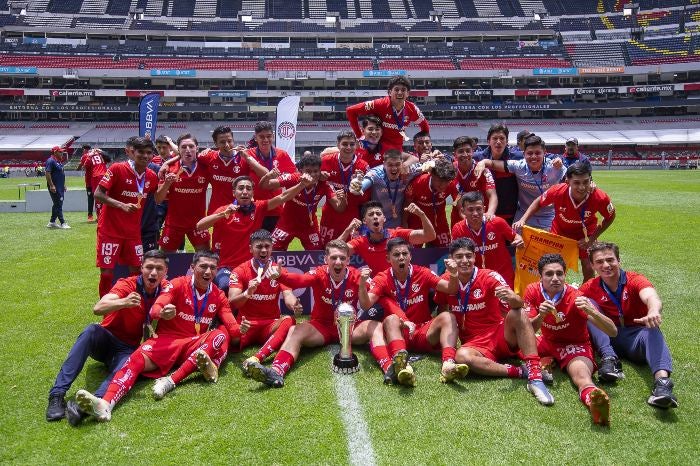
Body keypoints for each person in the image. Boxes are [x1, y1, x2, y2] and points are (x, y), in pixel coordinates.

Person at [75, 251, 241, 422]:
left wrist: (239, 329)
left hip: (192, 345)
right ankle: (105, 404)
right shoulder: (177, 284)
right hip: (166, 342)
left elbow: (231, 324)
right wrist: (162, 312)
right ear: (192, 267)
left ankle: (170, 381)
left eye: (213, 268)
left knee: (220, 334)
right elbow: (156, 308)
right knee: (134, 361)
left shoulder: (218, 295)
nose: (208, 272)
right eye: (203, 266)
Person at [46, 250, 170, 426]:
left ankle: (90, 404)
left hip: (126, 349)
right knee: (90, 330)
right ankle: (57, 395)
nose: (153, 273)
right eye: (149, 267)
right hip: (105, 340)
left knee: (130, 361)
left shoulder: (166, 289)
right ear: (141, 268)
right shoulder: (128, 284)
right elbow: (98, 308)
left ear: (166, 272)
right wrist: (124, 302)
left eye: (159, 268)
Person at [247, 240, 386, 387]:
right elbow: (300, 280)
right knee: (295, 329)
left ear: (348, 260)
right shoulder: (319, 273)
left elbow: (372, 299)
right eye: (333, 258)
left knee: (376, 326)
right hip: (321, 327)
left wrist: (364, 284)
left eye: (342, 258)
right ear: (326, 259)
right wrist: (281, 276)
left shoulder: (357, 275)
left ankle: (388, 367)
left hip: (349, 328)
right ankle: (276, 371)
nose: (338, 262)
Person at [435, 238, 555, 406]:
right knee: (461, 356)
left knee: (517, 313)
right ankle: (521, 371)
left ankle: (535, 377)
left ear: (475, 257)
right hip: (475, 344)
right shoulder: (447, 279)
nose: (464, 261)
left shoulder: (489, 276)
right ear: (451, 259)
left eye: (468, 256)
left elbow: (517, 304)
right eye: (459, 256)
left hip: (499, 334)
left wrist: (513, 298)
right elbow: (442, 308)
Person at [579, 242, 678, 409]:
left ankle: (662, 385)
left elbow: (651, 296)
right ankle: (609, 359)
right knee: (585, 303)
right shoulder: (591, 286)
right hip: (609, 338)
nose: (606, 265)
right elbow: (569, 302)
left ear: (619, 260)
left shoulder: (634, 279)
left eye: (610, 260)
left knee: (652, 328)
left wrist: (653, 310)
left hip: (636, 338)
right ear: (593, 266)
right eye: (600, 262)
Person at [526, 253, 617, 426]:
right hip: (547, 342)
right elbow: (528, 330)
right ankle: (546, 360)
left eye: (559, 274)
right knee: (518, 345)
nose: (555, 278)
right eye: (549, 274)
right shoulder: (532, 291)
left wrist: (592, 311)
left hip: (574, 347)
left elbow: (612, 332)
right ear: (540, 276)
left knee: (581, 377)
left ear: (565, 275)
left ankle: (595, 402)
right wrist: (541, 316)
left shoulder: (575, 297)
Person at [359, 238, 463, 386]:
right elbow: (366, 304)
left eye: (404, 253)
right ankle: (403, 366)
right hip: (399, 333)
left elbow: (451, 289)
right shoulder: (382, 278)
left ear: (410, 256)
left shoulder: (423, 273)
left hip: (422, 331)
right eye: (396, 255)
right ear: (388, 258)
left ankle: (448, 364)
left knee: (448, 316)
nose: (401, 257)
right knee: (390, 319)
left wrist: (454, 274)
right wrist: (362, 285)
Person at [197, 174, 313, 294]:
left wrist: (302, 184)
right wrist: (222, 214)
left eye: (248, 188)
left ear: (253, 193)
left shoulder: (259, 207)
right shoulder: (224, 210)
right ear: (234, 192)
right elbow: (200, 226)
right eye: (241, 188)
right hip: (226, 267)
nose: (245, 192)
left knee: (268, 286)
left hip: (251, 267)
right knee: (225, 285)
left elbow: (283, 196)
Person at [513, 163, 616, 281]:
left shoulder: (600, 197)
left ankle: (585, 295)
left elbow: (610, 216)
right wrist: (523, 219)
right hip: (560, 232)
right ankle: (554, 293)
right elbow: (538, 202)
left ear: (591, 180)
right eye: (577, 182)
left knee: (588, 266)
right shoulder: (558, 191)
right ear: (567, 181)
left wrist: (592, 238)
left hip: (586, 234)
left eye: (586, 182)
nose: (582, 187)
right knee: (553, 265)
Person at [229, 230, 302, 375]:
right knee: (226, 335)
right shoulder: (240, 271)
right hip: (246, 325)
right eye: (259, 246)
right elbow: (233, 302)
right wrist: (247, 293)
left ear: (272, 247)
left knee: (289, 320)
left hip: (270, 325)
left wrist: (295, 305)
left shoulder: (278, 271)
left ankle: (256, 358)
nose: (264, 250)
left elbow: (288, 295)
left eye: (267, 246)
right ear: (251, 248)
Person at [94, 137, 158, 297]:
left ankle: (131, 306)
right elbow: (98, 194)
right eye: (141, 152)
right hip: (110, 230)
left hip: (133, 233)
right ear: (132, 153)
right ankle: (107, 310)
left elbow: (159, 198)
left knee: (136, 271)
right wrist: (121, 205)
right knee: (107, 273)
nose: (145, 156)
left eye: (149, 153)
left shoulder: (151, 176)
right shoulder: (117, 168)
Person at [477, 134, 565, 230]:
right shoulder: (519, 166)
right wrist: (483, 162)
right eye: (530, 153)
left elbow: (573, 182)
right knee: (517, 242)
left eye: (538, 153)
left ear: (544, 152)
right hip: (523, 215)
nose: (534, 156)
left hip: (549, 216)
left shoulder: (555, 167)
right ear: (524, 154)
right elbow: (493, 163)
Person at [260, 153, 346, 251]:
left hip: (309, 226)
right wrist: (268, 175)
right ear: (301, 171)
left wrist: (343, 199)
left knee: (317, 253)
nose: (313, 175)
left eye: (316, 171)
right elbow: (265, 186)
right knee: (273, 251)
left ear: (320, 171)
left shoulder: (324, 184)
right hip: (286, 224)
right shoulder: (293, 178)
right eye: (308, 171)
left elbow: (339, 208)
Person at [339, 201, 436, 276]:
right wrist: (347, 230)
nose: (375, 217)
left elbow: (430, 236)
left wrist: (422, 215)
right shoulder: (360, 242)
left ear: (384, 218)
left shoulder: (397, 234)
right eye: (371, 214)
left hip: (403, 281)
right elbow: (336, 251)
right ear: (364, 221)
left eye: (378, 213)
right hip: (380, 286)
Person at [451, 192, 522, 288]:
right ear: (463, 211)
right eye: (470, 209)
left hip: (503, 276)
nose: (475, 213)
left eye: (478, 209)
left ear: (484, 209)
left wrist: (519, 240)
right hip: (476, 278)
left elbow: (515, 237)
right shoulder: (458, 229)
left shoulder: (497, 222)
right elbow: (454, 254)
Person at [155, 134, 210, 253]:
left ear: (197, 148)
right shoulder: (169, 168)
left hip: (198, 223)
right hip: (174, 224)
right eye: (184, 147)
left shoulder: (206, 166)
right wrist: (166, 184)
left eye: (191, 146)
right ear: (178, 150)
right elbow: (158, 199)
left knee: (205, 258)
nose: (188, 150)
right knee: (166, 259)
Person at [346, 76, 429, 152]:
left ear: (407, 93)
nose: (400, 92)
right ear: (389, 92)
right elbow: (351, 111)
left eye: (403, 90)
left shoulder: (412, 109)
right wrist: (360, 136)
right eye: (396, 90)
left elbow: (425, 127)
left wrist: (421, 144)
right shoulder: (379, 104)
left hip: (396, 151)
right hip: (376, 148)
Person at [349, 149, 423, 229]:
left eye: (397, 164)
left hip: (398, 224)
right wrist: (356, 184)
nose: (394, 168)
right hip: (377, 224)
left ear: (402, 163)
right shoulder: (376, 173)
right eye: (390, 165)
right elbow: (361, 186)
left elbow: (428, 166)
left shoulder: (408, 171)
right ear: (384, 164)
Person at [319, 131, 369, 247]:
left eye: (352, 144)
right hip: (330, 214)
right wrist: (319, 176)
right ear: (338, 145)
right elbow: (313, 179)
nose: (348, 147)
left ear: (356, 145)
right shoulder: (326, 161)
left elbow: (366, 197)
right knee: (326, 249)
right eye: (345, 144)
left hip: (352, 216)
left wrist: (358, 188)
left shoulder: (363, 166)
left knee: (351, 250)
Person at [245, 121, 298, 232]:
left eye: (268, 136)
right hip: (254, 208)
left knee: (273, 247)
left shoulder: (281, 154)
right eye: (261, 137)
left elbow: (296, 175)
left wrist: (279, 180)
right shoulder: (248, 155)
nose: (265, 140)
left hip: (276, 208)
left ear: (273, 136)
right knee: (253, 245)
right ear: (256, 138)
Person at [403, 157, 458, 248]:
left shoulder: (451, 184)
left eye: (446, 181)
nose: (443, 185)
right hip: (416, 224)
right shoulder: (418, 183)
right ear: (431, 174)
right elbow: (407, 203)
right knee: (413, 254)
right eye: (440, 181)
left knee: (443, 253)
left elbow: (458, 201)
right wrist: (404, 223)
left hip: (439, 224)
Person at [474, 123, 521, 225]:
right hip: (485, 214)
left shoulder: (518, 158)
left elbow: (540, 157)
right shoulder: (477, 158)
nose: (498, 142)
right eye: (495, 138)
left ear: (507, 141)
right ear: (488, 141)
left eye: (502, 138)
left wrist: (557, 161)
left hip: (511, 214)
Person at [450, 136, 497, 228]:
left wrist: (490, 213)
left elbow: (492, 195)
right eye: (460, 151)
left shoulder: (483, 170)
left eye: (468, 150)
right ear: (454, 154)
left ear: (473, 151)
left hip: (480, 217)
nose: (465, 154)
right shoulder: (450, 170)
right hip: (459, 219)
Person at [45, 146, 70, 229]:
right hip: (54, 187)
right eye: (60, 152)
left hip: (60, 186)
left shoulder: (58, 161)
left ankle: (52, 222)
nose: (62, 153)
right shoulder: (50, 161)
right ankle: (63, 223)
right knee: (58, 204)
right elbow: (47, 173)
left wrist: (63, 185)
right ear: (55, 152)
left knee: (58, 204)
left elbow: (61, 174)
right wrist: (52, 185)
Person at [77, 145, 95, 221]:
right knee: (100, 199)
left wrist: (77, 168)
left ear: (84, 149)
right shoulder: (95, 155)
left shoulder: (85, 156)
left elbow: (80, 166)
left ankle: (90, 216)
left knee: (90, 198)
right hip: (98, 180)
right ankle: (100, 215)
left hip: (89, 181)